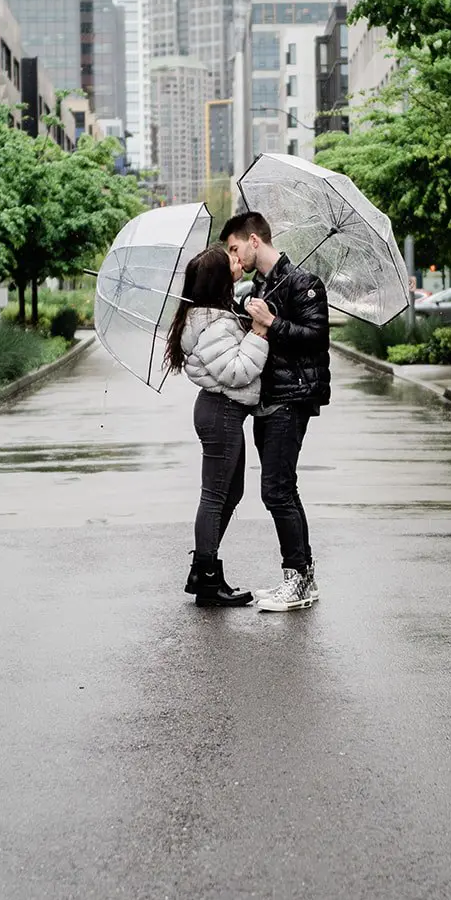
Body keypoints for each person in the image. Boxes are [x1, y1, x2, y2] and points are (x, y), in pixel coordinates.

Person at [219, 211, 330, 612]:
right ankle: (304, 579)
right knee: (286, 488)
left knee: (276, 490)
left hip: (291, 398)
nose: (235, 257)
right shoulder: (260, 286)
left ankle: (296, 578)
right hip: (266, 401)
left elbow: (317, 338)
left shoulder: (304, 283)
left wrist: (273, 322)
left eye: (234, 248)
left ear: (254, 240)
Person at [163, 245, 270, 608]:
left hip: (220, 412)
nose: (239, 262)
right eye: (233, 261)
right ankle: (206, 576)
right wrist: (258, 333)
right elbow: (237, 371)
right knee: (215, 495)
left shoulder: (210, 317)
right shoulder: (215, 323)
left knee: (230, 492)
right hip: (221, 412)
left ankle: (203, 567)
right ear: (219, 277)